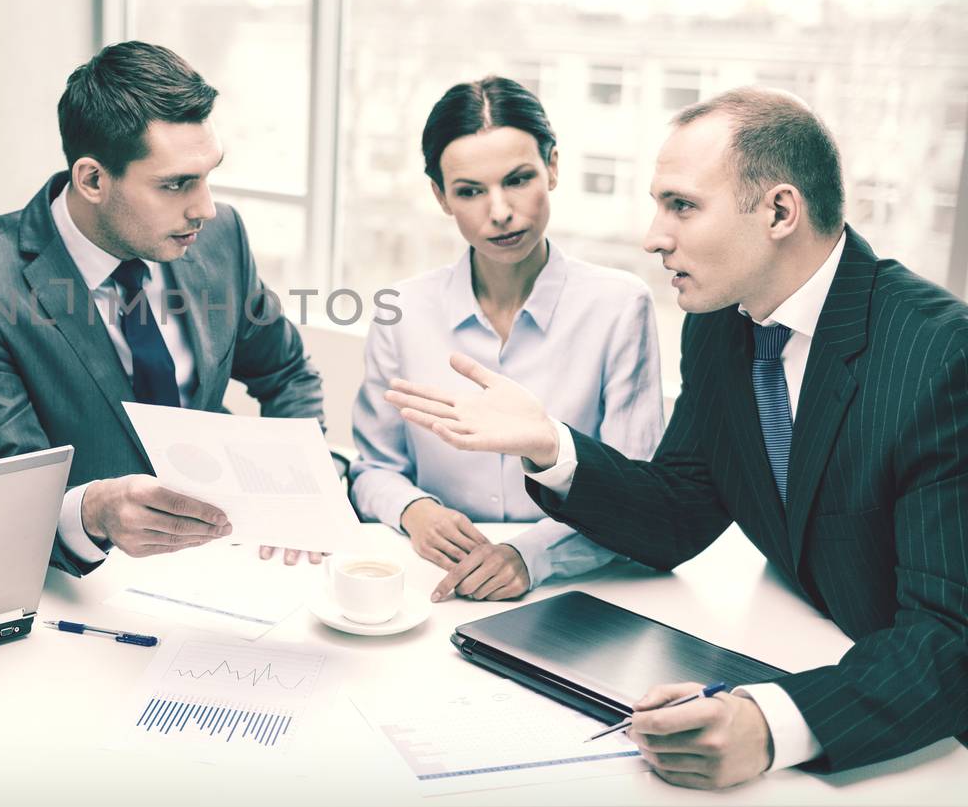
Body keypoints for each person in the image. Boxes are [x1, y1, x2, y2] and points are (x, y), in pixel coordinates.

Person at [388, 88, 968, 787]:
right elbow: (678, 513)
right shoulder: (721, 323)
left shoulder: (939, 358)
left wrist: (771, 723)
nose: (654, 237)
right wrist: (551, 445)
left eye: (682, 206)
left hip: (921, 739)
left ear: (780, 210)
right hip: (806, 645)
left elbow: (950, 641)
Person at [0, 41, 325, 575]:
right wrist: (93, 513)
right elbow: (11, 486)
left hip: (219, 563)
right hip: (68, 576)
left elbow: (287, 373)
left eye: (208, 173)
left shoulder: (219, 235)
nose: (205, 207)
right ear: (92, 179)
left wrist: (293, 499)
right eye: (176, 184)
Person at [349, 76, 663, 601]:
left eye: (518, 180)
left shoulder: (619, 305)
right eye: (470, 191)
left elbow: (635, 492)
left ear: (553, 168)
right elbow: (373, 468)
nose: (499, 212)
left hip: (579, 582)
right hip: (433, 578)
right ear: (440, 197)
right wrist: (415, 511)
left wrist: (531, 555)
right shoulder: (401, 311)